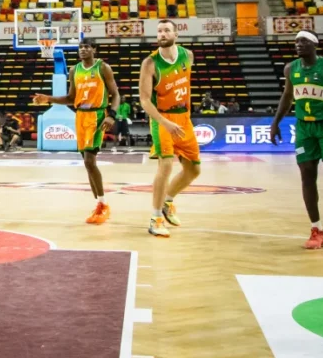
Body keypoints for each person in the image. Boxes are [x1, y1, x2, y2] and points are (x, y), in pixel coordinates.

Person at [33, 38, 121, 224]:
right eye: (80, 47)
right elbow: (71, 98)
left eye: (87, 47)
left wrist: (111, 115)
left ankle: (103, 205)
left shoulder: (103, 68)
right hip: (80, 115)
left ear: (94, 49)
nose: (83, 50)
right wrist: (47, 98)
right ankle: (99, 204)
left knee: (89, 160)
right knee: (87, 162)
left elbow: (116, 94)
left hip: (97, 115)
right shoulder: (74, 70)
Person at [271, 31, 323, 250]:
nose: (298, 44)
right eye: (296, 42)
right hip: (304, 127)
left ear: (315, 45)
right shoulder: (290, 69)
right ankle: (317, 230)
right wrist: (276, 123)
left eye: (303, 41)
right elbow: (287, 96)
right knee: (307, 175)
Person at [138, 19, 201, 238]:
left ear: (176, 34)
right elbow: (145, 100)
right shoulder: (150, 63)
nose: (162, 34)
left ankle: (168, 201)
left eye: (167, 30)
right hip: (162, 119)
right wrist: (165, 122)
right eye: (159, 31)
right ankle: (155, 219)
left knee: (194, 170)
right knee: (165, 167)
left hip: (183, 118)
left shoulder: (188, 56)